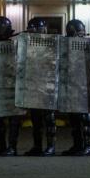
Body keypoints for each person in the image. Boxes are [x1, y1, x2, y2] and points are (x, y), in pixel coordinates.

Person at [0, 17, 21, 156]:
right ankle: (1, 146)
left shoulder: (16, 43)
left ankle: (12, 147)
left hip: (14, 85)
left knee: (14, 119)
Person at [61, 20, 90, 156]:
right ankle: (77, 145)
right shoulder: (65, 45)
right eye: (78, 33)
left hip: (86, 87)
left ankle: (88, 146)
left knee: (85, 120)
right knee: (74, 121)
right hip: (72, 86)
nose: (80, 35)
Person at [24, 17, 57, 156]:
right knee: (36, 120)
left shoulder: (53, 42)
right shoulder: (28, 44)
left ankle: (51, 147)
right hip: (34, 85)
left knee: (49, 119)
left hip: (48, 85)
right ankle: (37, 146)